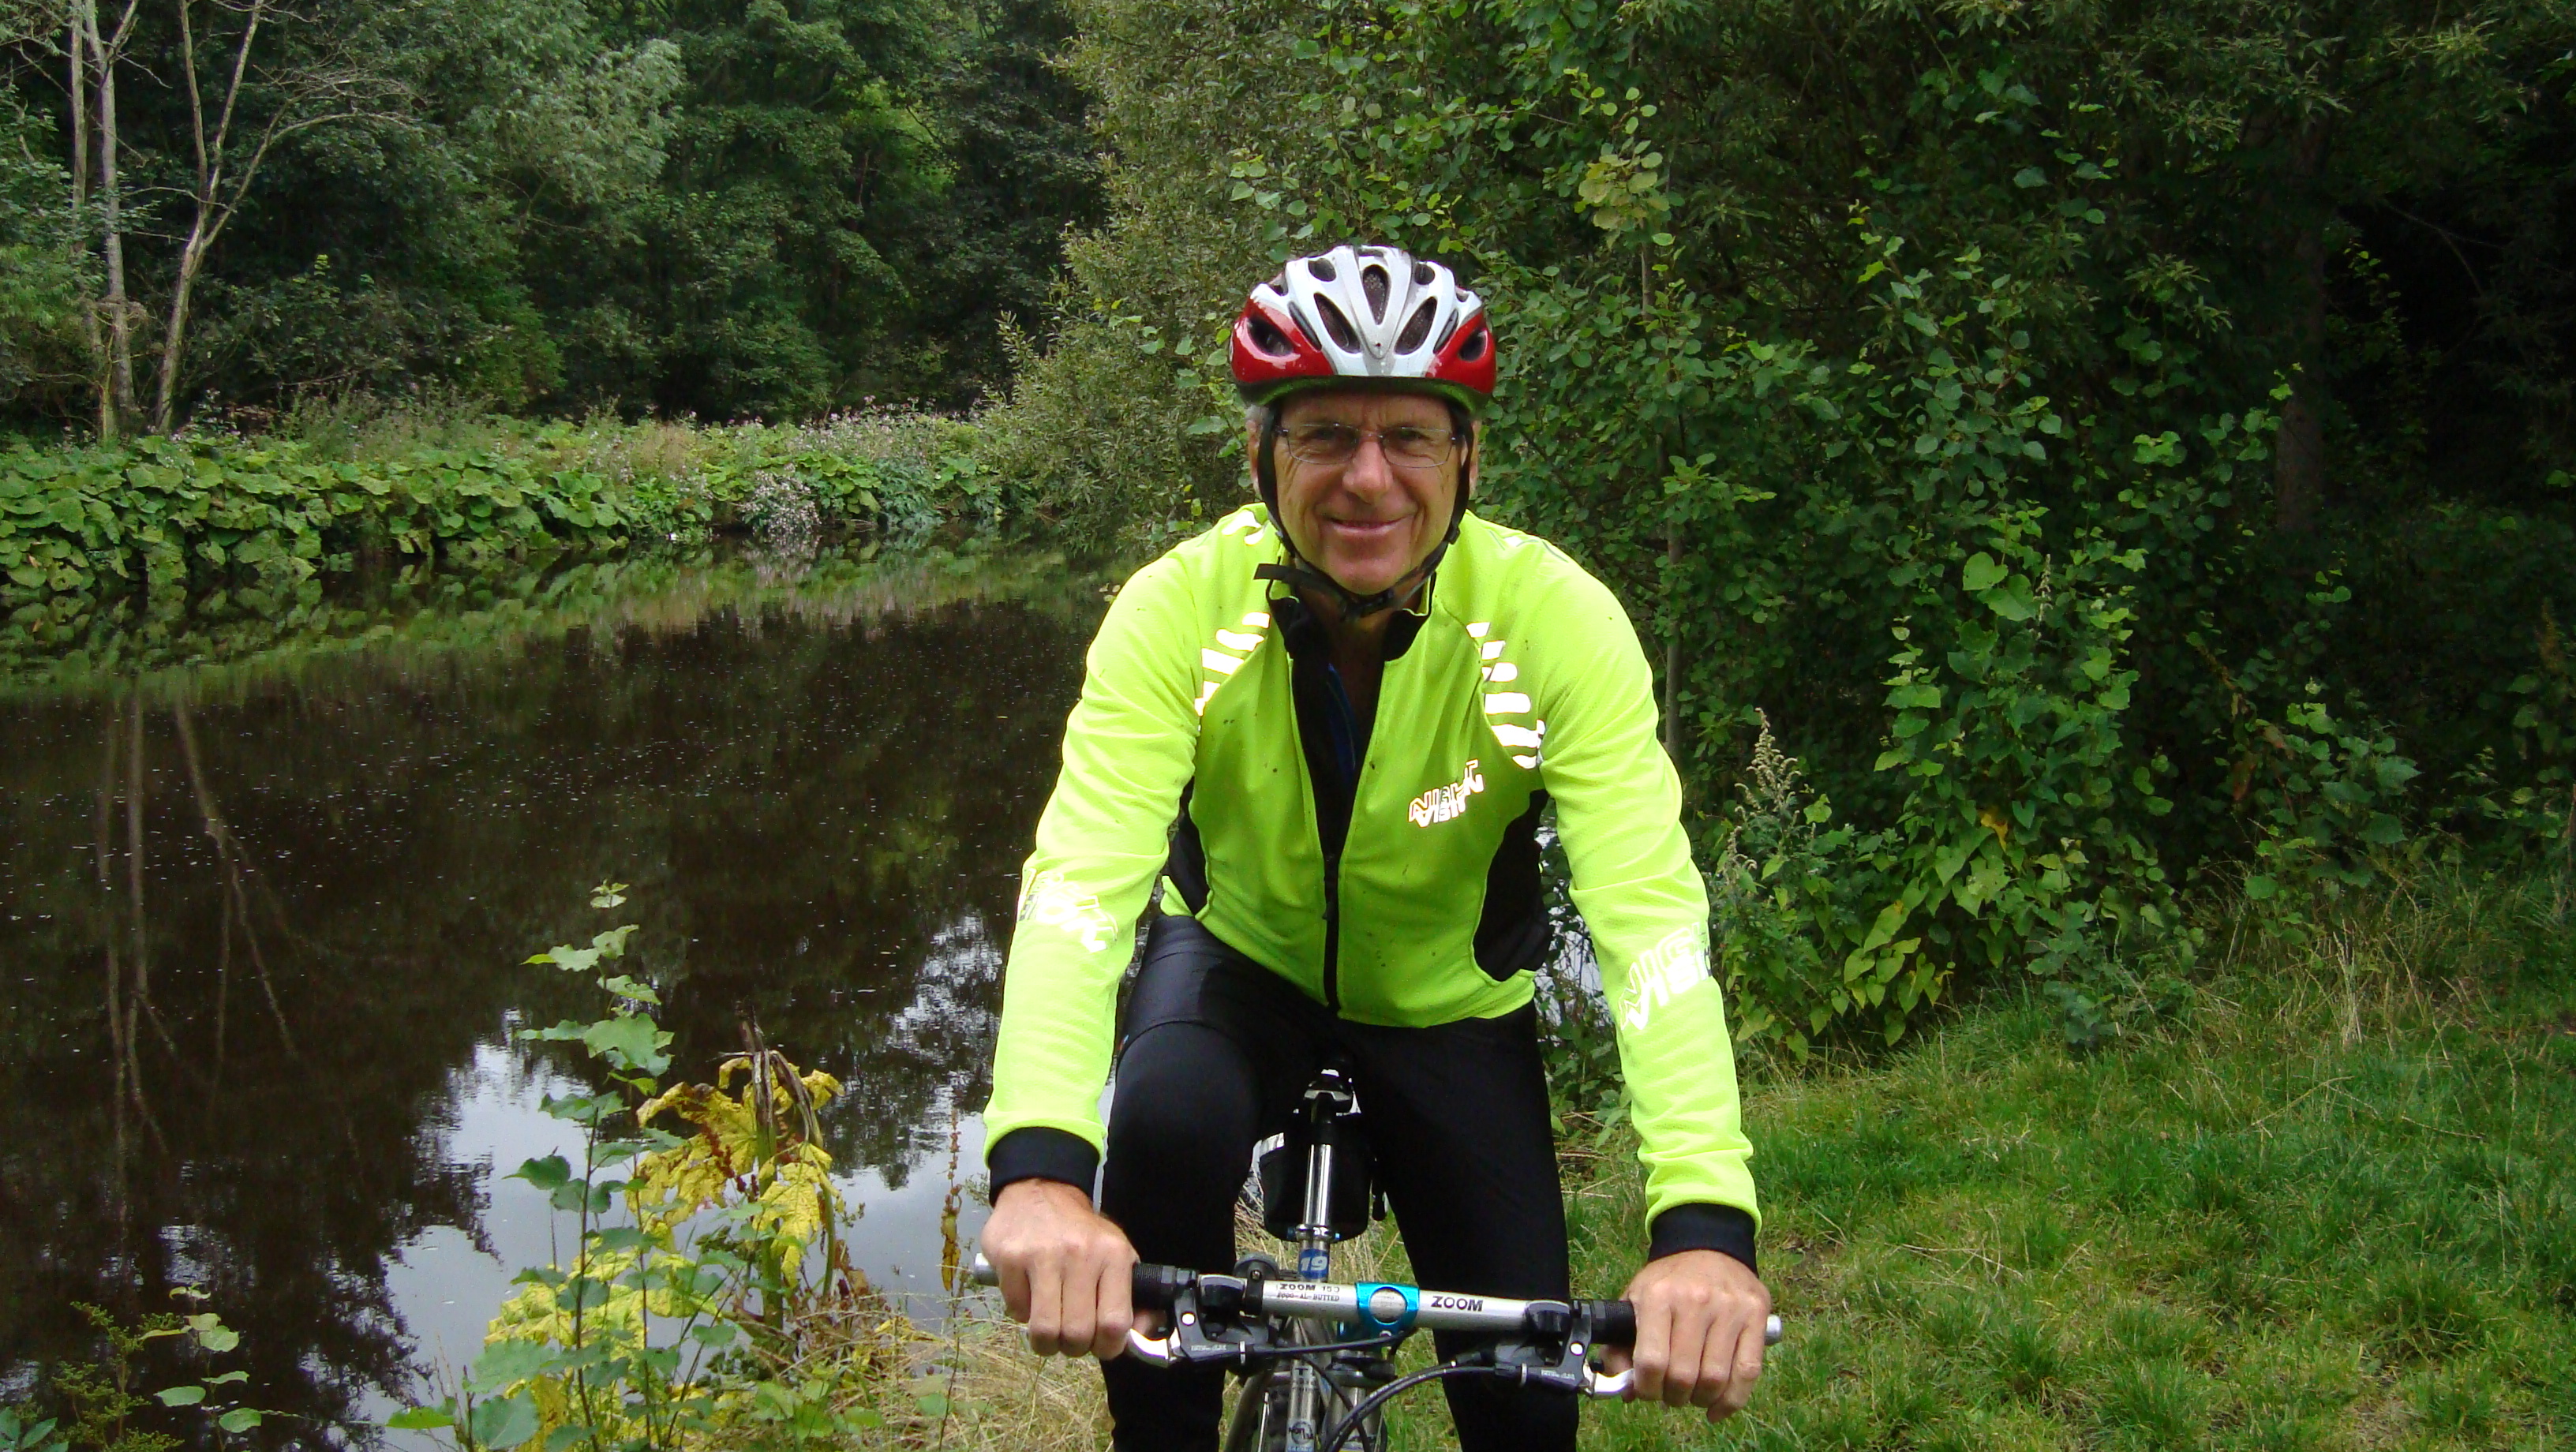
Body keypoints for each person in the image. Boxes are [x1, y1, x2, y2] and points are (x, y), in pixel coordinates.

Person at [977, 243, 1769, 1450]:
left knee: (1524, 1420)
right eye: (1324, 436)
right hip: (1235, 967)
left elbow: (1651, 922)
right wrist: (1039, 1168)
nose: (1367, 478)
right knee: (1163, 1127)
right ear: (1261, 454)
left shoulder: (1553, 620)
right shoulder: (1177, 608)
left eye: (1409, 436)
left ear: (1467, 459)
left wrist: (1705, 1227)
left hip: (1450, 1006)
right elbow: (1080, 887)